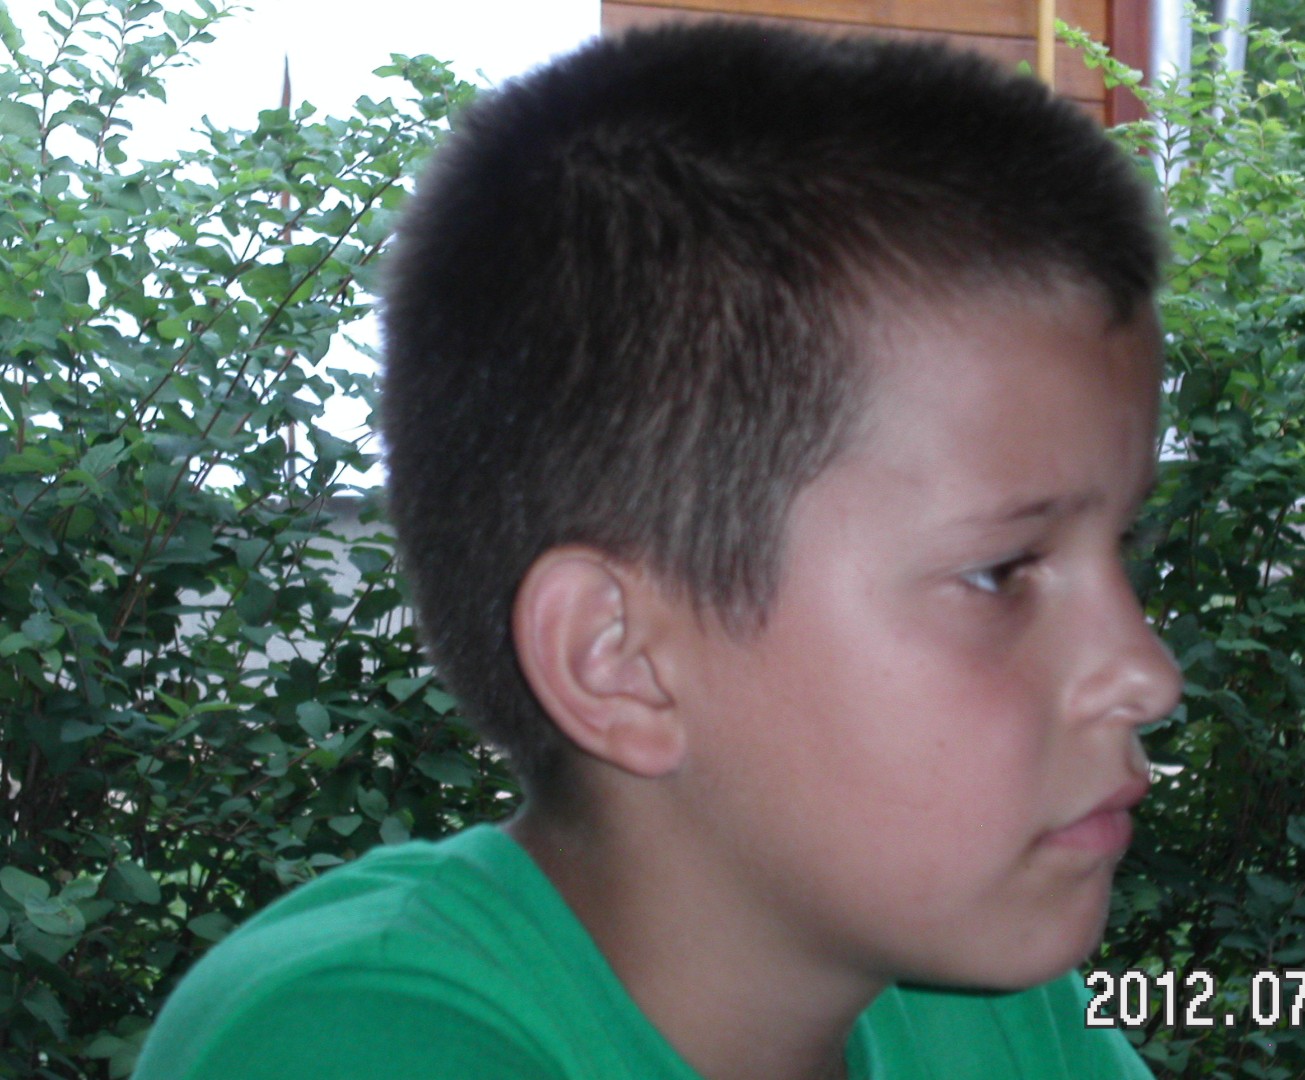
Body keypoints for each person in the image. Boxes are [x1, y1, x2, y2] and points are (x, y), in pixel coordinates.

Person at [133, 20, 1182, 1080]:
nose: (1146, 672)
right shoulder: (354, 1042)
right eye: (1000, 573)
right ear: (622, 660)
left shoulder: (994, 1012)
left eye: (1122, 545)